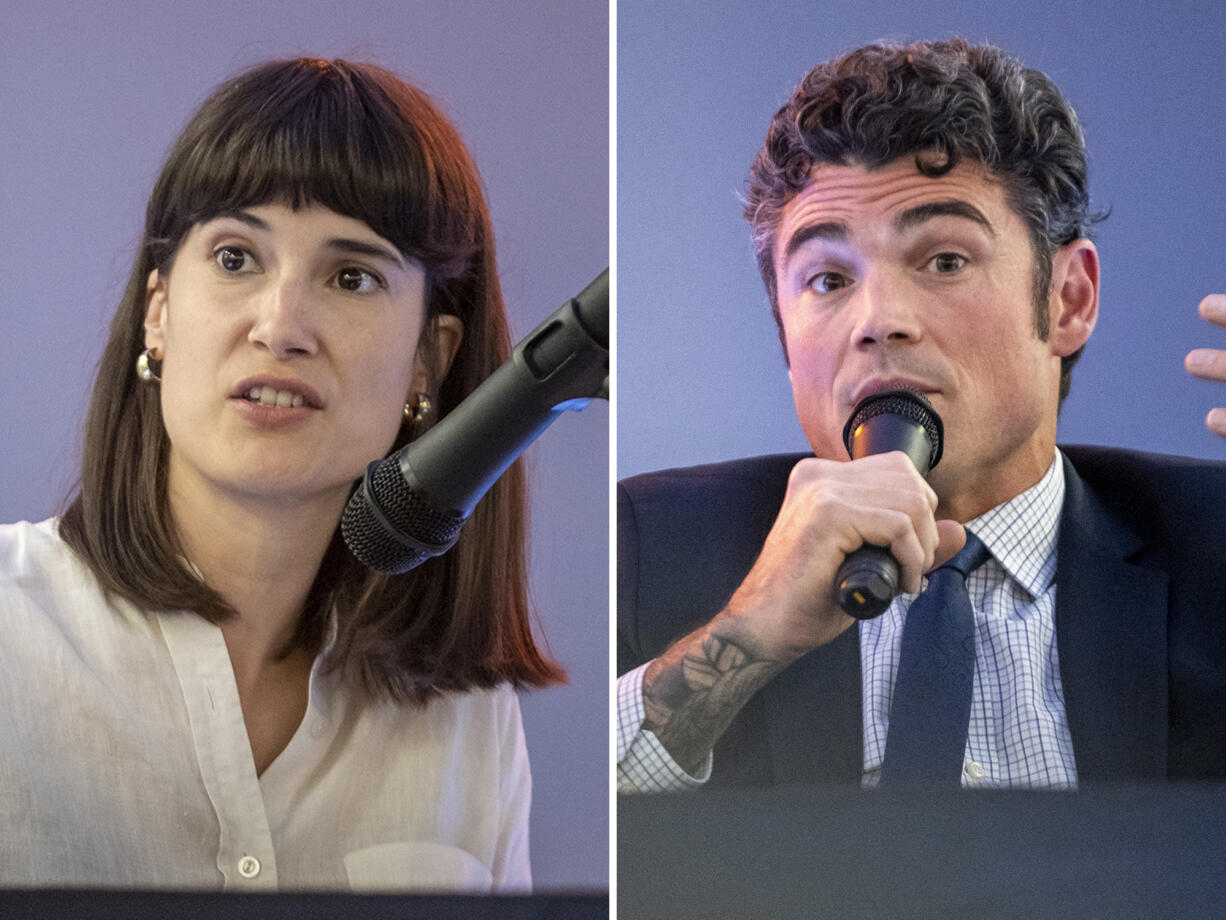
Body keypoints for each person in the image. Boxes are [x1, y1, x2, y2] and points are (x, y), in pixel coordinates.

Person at [0, 57, 565, 889]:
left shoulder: (466, 723)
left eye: (351, 276)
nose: (282, 324)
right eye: (236, 259)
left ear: (428, 361)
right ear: (158, 313)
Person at [617, 38, 1226, 792]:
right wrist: (746, 635)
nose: (879, 321)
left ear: (1069, 299)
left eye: (945, 261)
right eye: (829, 279)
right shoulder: (651, 549)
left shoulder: (1215, 550)